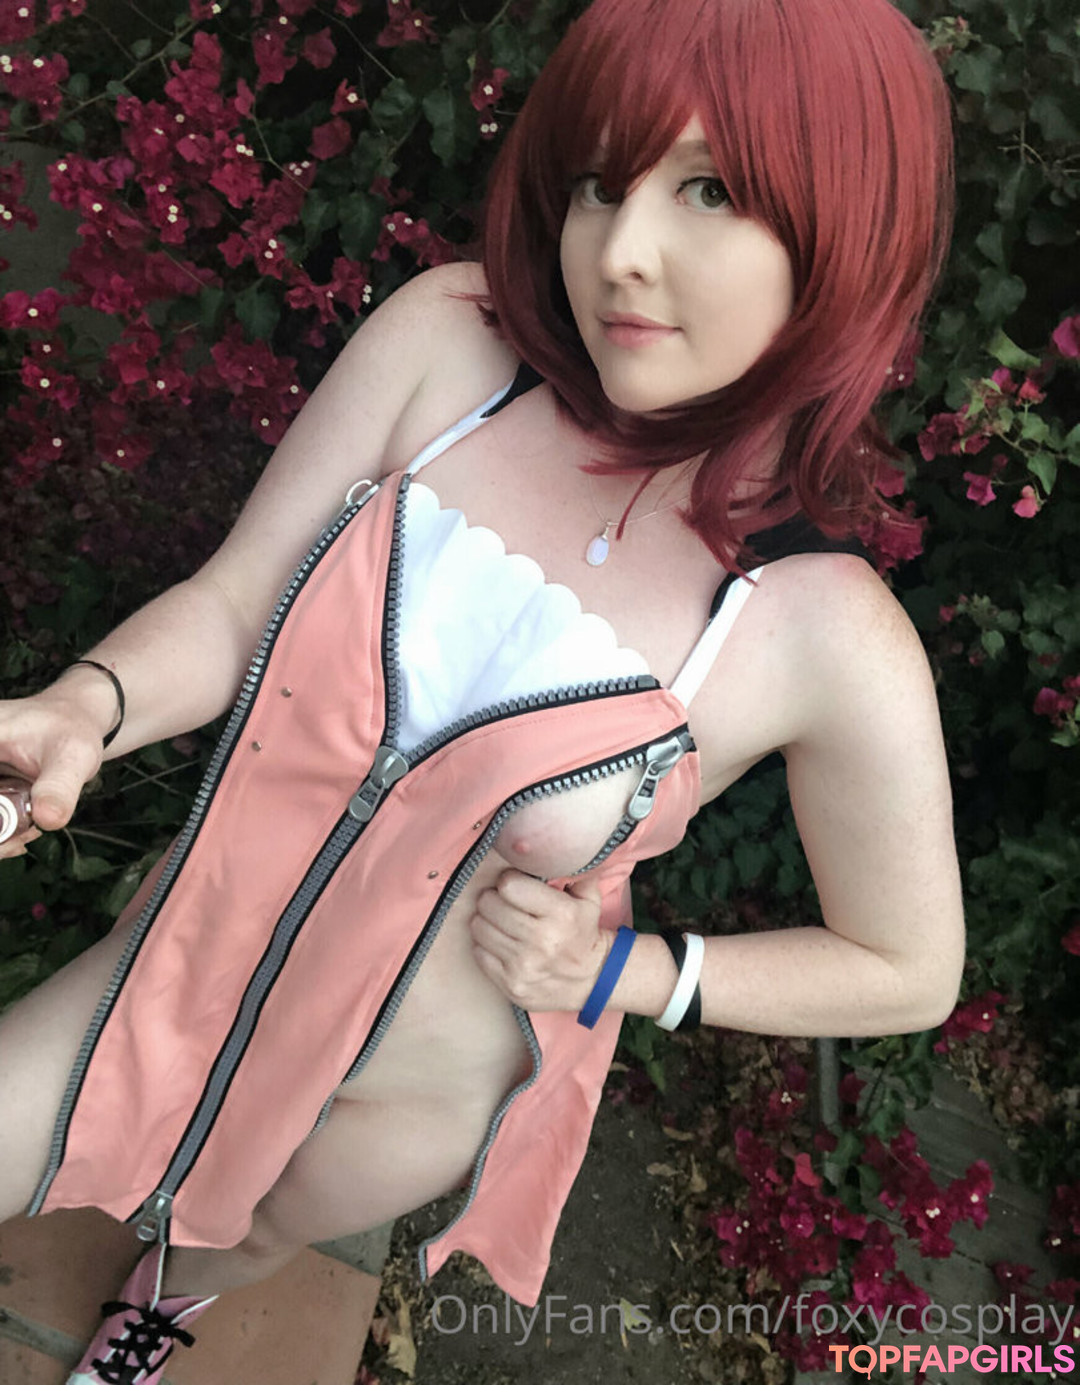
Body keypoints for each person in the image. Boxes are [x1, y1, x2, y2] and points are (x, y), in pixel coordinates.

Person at [0, 0, 965, 1379]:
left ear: (851, 229)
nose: (618, 250)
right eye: (601, 180)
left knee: (249, 1229)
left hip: (411, 1091)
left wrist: (631, 971)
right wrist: (86, 706)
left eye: (709, 190)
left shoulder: (821, 630)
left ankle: (158, 1307)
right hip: (185, 957)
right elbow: (231, 606)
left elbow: (908, 968)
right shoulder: (451, 347)